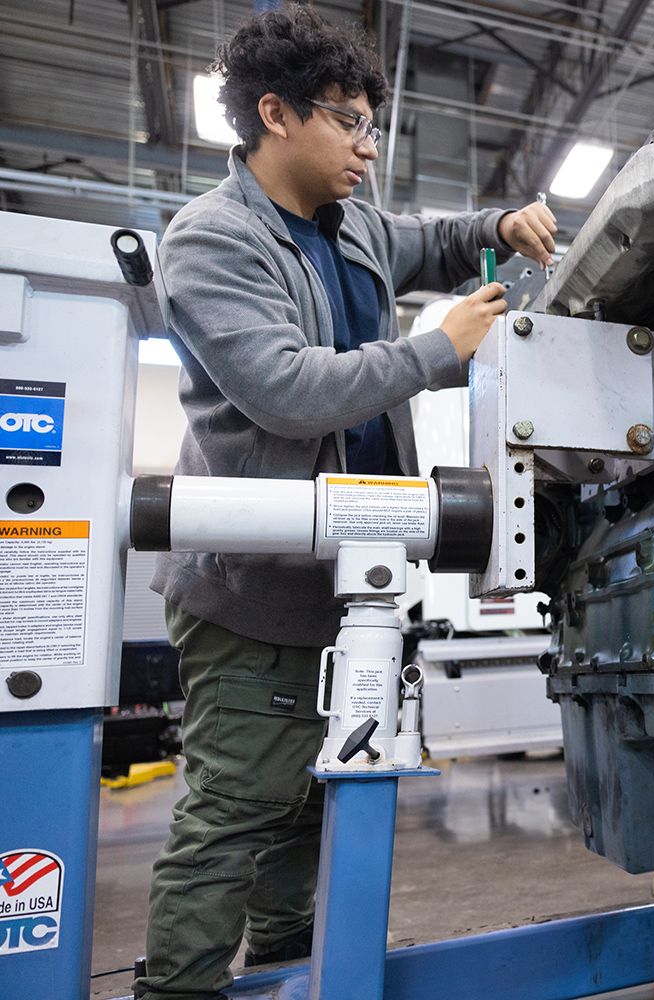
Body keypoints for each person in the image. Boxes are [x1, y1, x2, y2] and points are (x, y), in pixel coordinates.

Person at [136, 6, 557, 999]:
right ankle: (177, 989)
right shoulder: (211, 240)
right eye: (349, 123)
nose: (369, 147)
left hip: (360, 577)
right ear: (274, 115)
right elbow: (289, 389)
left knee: (315, 803)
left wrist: (498, 225)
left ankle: (285, 968)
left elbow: (434, 238)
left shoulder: (352, 222)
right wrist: (437, 349)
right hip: (254, 592)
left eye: (376, 125)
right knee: (239, 805)